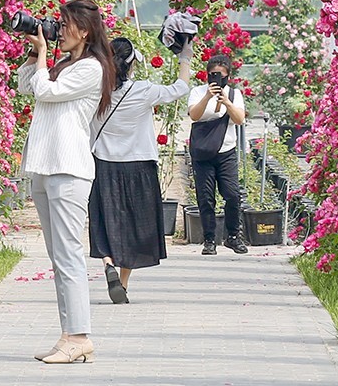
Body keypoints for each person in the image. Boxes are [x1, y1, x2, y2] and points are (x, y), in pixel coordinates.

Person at [16, 0, 116, 364]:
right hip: (46, 167)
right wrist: (34, 52)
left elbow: (46, 92)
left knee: (70, 254)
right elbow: (27, 85)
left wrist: (43, 54)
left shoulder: (92, 68)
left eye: (63, 23)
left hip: (69, 168)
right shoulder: (63, 65)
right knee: (58, 257)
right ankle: (68, 334)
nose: (57, 30)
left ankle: (80, 336)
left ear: (84, 30)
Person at [88, 37, 190, 303]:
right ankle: (122, 283)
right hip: (139, 167)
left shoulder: (96, 91)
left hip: (103, 165)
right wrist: (185, 56)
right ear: (131, 65)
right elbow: (180, 87)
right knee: (132, 227)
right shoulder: (143, 90)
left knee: (104, 220)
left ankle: (108, 262)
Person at [187, 61, 248, 254]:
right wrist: (208, 96)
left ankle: (232, 236)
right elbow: (194, 116)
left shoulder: (233, 94)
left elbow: (239, 119)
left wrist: (226, 102)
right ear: (207, 75)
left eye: (221, 75)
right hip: (203, 153)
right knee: (205, 198)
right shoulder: (198, 92)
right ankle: (209, 240)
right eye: (213, 74)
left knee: (232, 194)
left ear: (228, 76)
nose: (217, 78)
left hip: (226, 152)